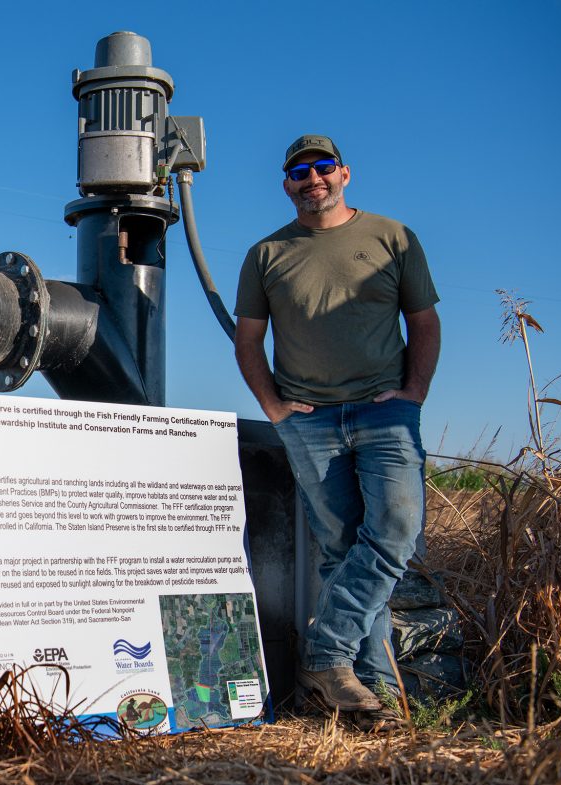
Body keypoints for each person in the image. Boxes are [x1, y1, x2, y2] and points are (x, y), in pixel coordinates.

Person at [234, 134, 440, 715]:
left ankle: (325, 653)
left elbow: (424, 321)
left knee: (397, 529)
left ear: (345, 174)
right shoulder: (266, 255)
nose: (312, 178)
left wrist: (414, 393)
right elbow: (249, 341)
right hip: (309, 422)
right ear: (286, 185)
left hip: (385, 413)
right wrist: (274, 408)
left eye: (323, 167)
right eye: (299, 171)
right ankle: (373, 695)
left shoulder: (392, 237)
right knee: (340, 549)